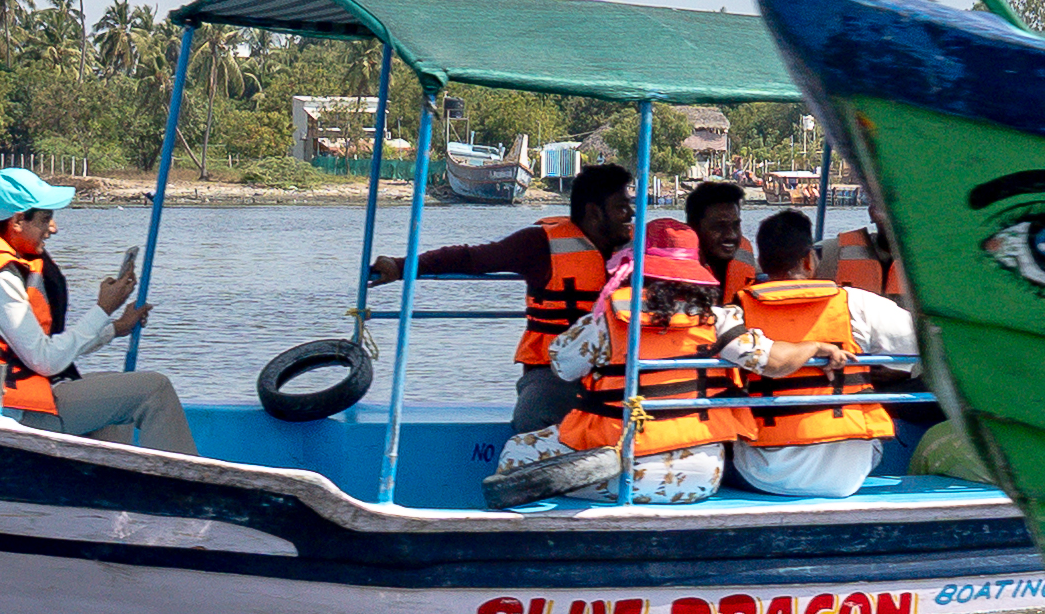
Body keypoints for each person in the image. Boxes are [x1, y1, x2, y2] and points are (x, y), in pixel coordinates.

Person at [0, 166, 193, 454]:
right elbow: (45, 360)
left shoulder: (8, 264)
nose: (53, 228)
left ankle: (105, 490)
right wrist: (102, 308)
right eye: (46, 218)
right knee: (154, 389)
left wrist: (115, 328)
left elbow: (44, 351)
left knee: (118, 397)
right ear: (18, 220)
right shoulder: (1, 277)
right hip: (8, 411)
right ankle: (188, 490)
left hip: (20, 395)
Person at [371, 155, 632, 447]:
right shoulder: (537, 244)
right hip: (554, 370)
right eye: (622, 208)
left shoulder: (641, 250)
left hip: (620, 367)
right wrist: (401, 266)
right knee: (533, 414)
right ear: (595, 213)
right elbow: (471, 258)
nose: (631, 214)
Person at [489, 216, 750, 506]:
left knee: (518, 449)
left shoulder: (606, 322)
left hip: (623, 475)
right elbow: (765, 360)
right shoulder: (722, 320)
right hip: (700, 479)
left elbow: (562, 366)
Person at [726, 206, 933, 497]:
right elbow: (928, 342)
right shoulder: (857, 303)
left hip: (764, 476)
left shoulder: (735, 315)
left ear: (760, 261)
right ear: (810, 260)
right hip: (848, 477)